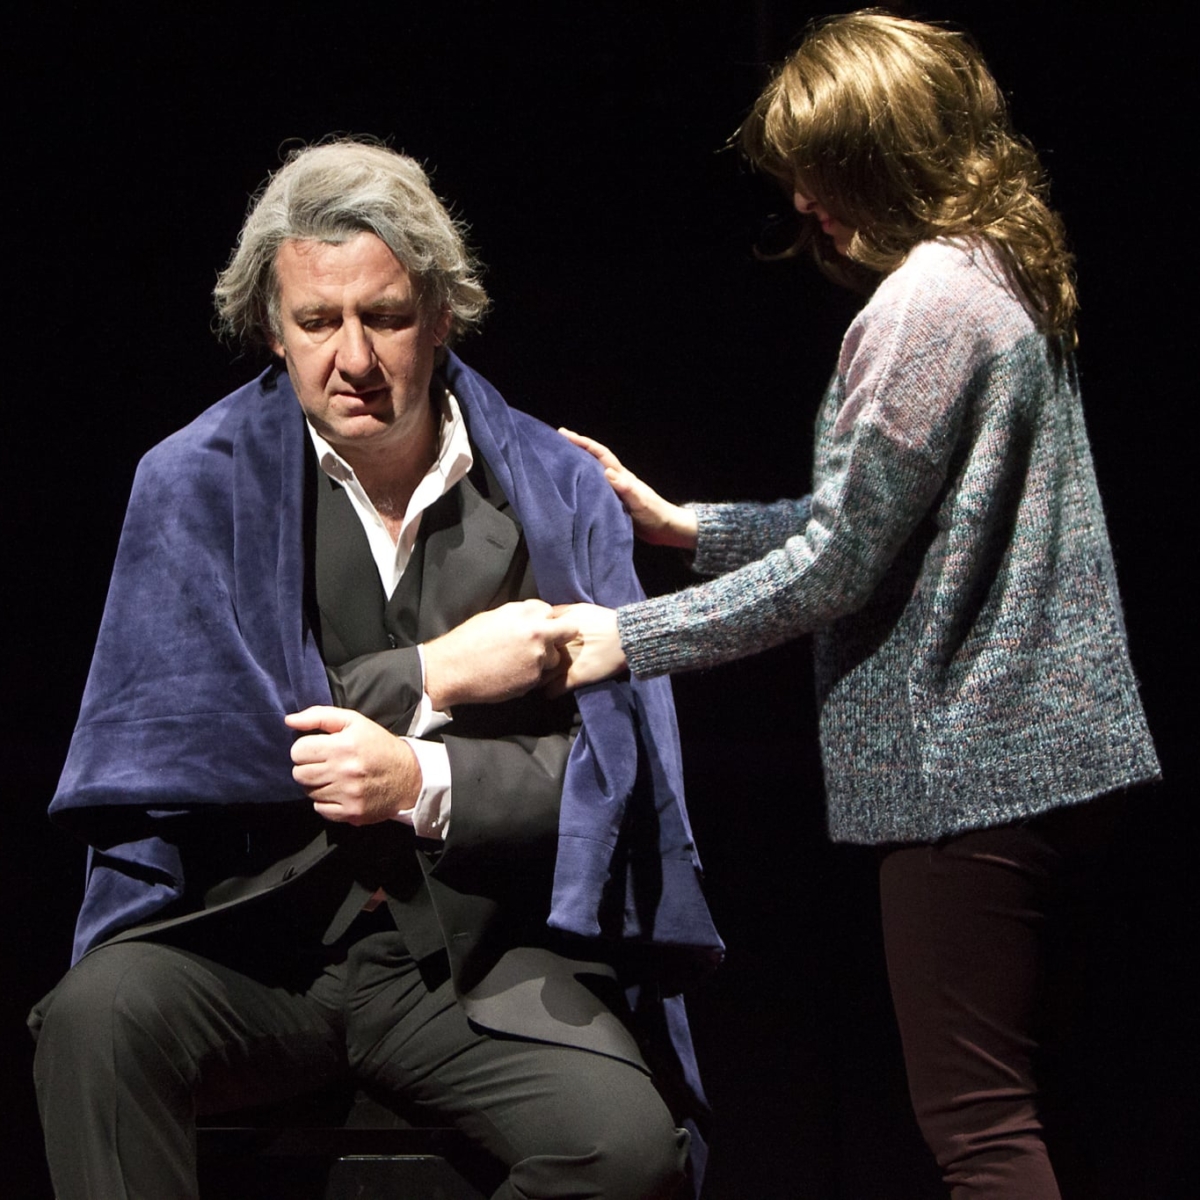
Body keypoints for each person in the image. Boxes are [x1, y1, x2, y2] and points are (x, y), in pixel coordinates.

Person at [30, 139, 721, 1200]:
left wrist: (426, 784)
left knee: (627, 1152)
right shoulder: (192, 486)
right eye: (318, 322)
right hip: (256, 954)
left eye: (387, 318)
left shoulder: (553, 489)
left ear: (441, 315)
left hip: (475, 962)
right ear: (273, 327)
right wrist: (437, 673)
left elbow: (613, 769)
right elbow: (197, 733)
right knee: (94, 1021)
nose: (353, 356)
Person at [549, 12, 1159, 1200]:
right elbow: (901, 533)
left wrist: (628, 637)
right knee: (1038, 1109)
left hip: (974, 767)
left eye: (822, 172)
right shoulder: (1004, 264)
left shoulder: (922, 307)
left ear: (884, 155)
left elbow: (840, 567)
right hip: (1060, 765)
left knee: (979, 1130)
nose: (807, 204)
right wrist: (689, 528)